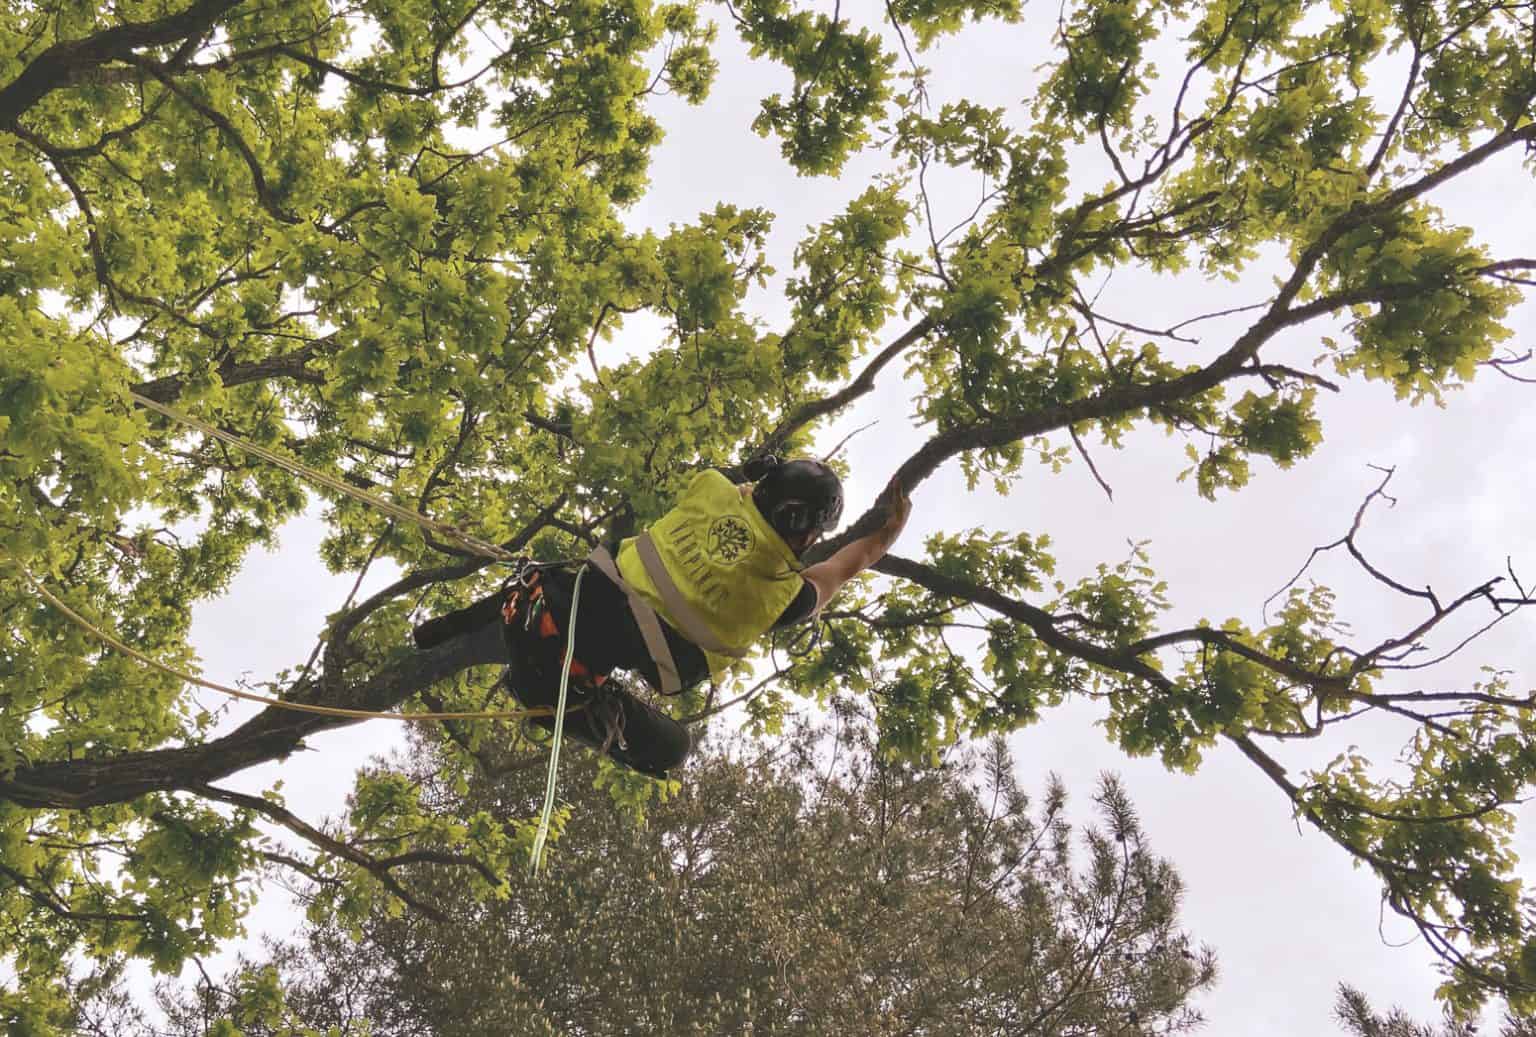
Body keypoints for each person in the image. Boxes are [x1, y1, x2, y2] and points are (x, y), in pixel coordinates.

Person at [413, 458, 912, 775]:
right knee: (673, 750)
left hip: (561, 601)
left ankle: (455, 627)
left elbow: (735, 478)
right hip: (567, 666)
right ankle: (576, 708)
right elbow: (845, 566)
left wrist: (757, 470)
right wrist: (885, 536)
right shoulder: (782, 596)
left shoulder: (711, 488)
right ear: (806, 534)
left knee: (568, 595)